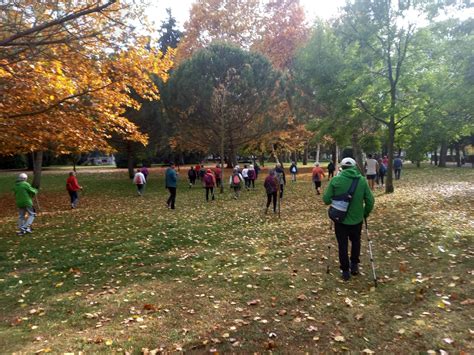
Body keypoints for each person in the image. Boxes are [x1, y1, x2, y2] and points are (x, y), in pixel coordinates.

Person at [323, 157, 374, 281]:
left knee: (342, 244)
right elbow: (370, 200)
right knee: (356, 242)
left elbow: (326, 199)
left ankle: (345, 271)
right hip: (357, 219)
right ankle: (354, 265)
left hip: (340, 219)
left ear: (342, 167)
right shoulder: (362, 180)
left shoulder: (335, 180)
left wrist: (336, 200)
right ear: (354, 167)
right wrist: (365, 213)